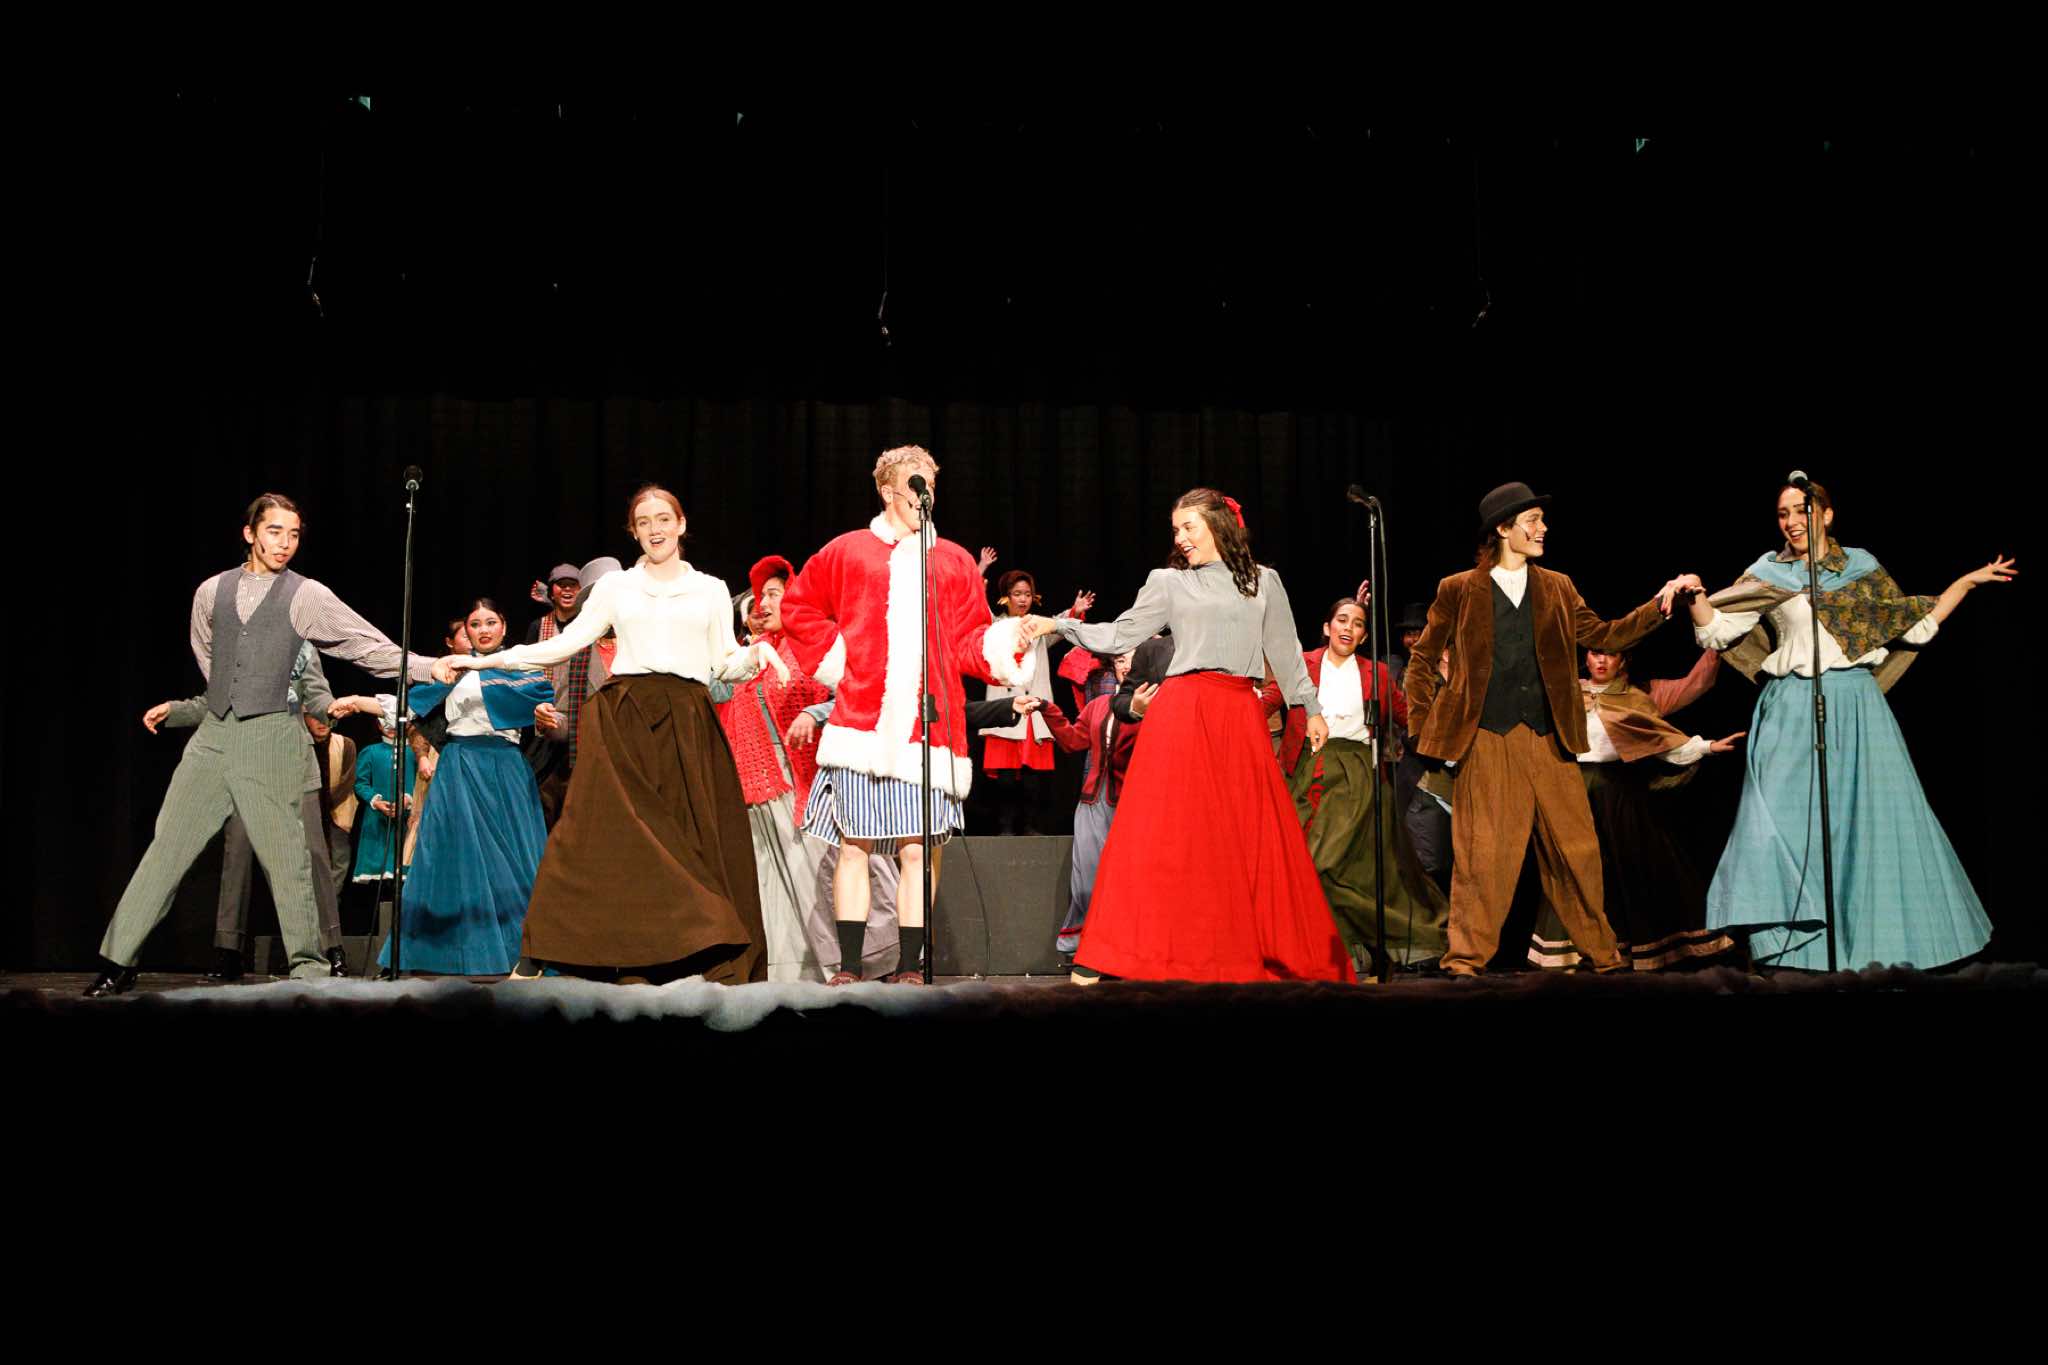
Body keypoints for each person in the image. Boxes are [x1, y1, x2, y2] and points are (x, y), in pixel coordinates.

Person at [85, 493, 436, 996]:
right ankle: (118, 960)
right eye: (275, 532)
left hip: (271, 736)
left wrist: (427, 666)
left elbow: (363, 643)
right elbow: (210, 659)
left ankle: (309, 968)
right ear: (250, 533)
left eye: (294, 534)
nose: (285, 543)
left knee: (288, 860)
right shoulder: (212, 590)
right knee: (167, 850)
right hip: (214, 737)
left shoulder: (304, 595)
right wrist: (210, 704)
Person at [442, 485, 786, 984]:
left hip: (688, 720)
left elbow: (722, 663)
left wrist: (756, 654)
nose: (655, 529)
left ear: (681, 524)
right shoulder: (617, 588)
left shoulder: (709, 589)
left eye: (663, 519)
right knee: (595, 837)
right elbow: (563, 645)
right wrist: (486, 661)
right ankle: (544, 952)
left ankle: (688, 955)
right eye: (644, 522)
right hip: (625, 717)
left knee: (692, 843)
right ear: (634, 532)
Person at [1020, 488, 1352, 983]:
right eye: (1176, 529)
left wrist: (1312, 708)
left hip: (1239, 713)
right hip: (1182, 711)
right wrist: (1058, 625)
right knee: (1156, 831)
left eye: (1189, 526)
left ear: (1218, 525)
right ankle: (1108, 950)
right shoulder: (1169, 583)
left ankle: (1240, 949)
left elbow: (1285, 651)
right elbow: (1120, 635)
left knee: (1247, 834)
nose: (1181, 538)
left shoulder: (1264, 582)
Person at [1689, 479, 2014, 971]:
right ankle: (1791, 943)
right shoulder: (1767, 572)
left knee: (1869, 823)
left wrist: (1965, 584)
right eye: (1782, 513)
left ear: (1826, 514)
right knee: (1775, 819)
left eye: (1801, 510)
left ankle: (1873, 947)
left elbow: (1917, 625)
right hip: (1791, 704)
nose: (1791, 521)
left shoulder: (1859, 567)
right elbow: (1718, 629)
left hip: (1857, 704)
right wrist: (1694, 594)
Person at [1401, 481, 1702, 979]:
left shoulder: (1558, 587)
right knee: (1483, 855)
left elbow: (1605, 634)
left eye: (1541, 520)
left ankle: (1603, 956)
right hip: (1487, 739)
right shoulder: (1459, 589)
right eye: (1532, 520)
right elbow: (1423, 660)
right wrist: (1420, 726)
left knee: (1576, 850)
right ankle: (1464, 963)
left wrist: (1658, 605)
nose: (1543, 528)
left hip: (1549, 740)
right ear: (1504, 529)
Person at [778, 445, 1037, 985]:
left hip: (928, 731)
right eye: (916, 484)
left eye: (931, 485)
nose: (925, 494)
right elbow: (798, 606)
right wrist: (843, 660)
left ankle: (909, 964)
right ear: (887, 490)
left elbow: (970, 639)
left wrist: (1008, 642)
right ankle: (849, 965)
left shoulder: (954, 561)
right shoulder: (848, 550)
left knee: (916, 851)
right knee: (854, 847)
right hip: (862, 727)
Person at [144, 643, 356, 980]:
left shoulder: (301, 646)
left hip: (292, 762)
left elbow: (317, 693)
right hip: (246, 761)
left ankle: (331, 946)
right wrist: (174, 711)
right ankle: (229, 950)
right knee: (238, 854)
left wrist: (330, 707)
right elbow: (213, 704)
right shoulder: (236, 646)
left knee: (314, 856)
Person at [1526, 646, 1744, 971]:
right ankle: (1575, 950)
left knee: (1628, 867)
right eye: (1595, 653)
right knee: (1572, 867)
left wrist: (1707, 746)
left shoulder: (1636, 697)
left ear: (1624, 660)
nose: (1602, 661)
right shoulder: (1565, 692)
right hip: (1571, 791)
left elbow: (1661, 741)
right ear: (1585, 658)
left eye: (1611, 654)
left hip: (1617, 792)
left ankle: (1633, 948)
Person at [374, 599, 555, 977]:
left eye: (491, 622)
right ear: (465, 631)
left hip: (504, 768)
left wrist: (541, 718)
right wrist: (357, 701)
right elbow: (410, 708)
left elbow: (543, 714)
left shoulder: (522, 667)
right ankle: (448, 953)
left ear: (504, 626)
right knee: (452, 855)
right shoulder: (451, 669)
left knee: (513, 856)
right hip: (459, 766)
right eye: (475, 624)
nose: (483, 630)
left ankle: (527, 950)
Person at [1271, 597, 1450, 975]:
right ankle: (1333, 947)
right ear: (1327, 627)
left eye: (1357, 623)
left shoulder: (1376, 674)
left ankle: (1360, 948)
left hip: (1359, 778)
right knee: (1311, 866)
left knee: (1356, 870)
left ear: (1365, 636)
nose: (1349, 628)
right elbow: (1267, 702)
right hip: (1308, 773)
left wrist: (1451, 717)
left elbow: (1408, 716)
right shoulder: (1302, 665)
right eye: (1342, 620)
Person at [717, 555, 837, 982]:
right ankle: (787, 975)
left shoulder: (817, 642)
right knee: (770, 882)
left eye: (772, 594)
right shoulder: (754, 654)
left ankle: (837, 969)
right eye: (759, 597)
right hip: (755, 778)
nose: (763, 604)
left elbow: (852, 695)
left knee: (810, 878)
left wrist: (815, 714)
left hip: (801, 774)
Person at [1035, 649, 1143, 962]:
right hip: (1093, 804)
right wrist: (1047, 709)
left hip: (1133, 807)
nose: (1126, 666)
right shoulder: (1098, 705)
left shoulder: (1157, 706)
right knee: (1085, 883)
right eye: (1120, 660)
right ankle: (1088, 946)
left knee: (1128, 882)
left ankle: (1124, 949)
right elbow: (1073, 741)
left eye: (1133, 660)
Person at [979, 570, 1094, 834]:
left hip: (1033, 711)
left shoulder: (1039, 628)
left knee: (1033, 776)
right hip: (1005, 708)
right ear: (1006, 598)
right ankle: (1005, 828)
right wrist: (979, 578)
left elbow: (1059, 625)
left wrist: (1075, 611)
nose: (1023, 599)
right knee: (1006, 776)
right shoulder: (996, 627)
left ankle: (1030, 827)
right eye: (1017, 594)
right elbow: (980, 613)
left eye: (1028, 594)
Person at [524, 563, 583, 644]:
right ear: (551, 594)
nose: (567, 588)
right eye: (561, 584)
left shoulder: (590, 623)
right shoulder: (538, 626)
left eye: (573, 584)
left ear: (581, 591)